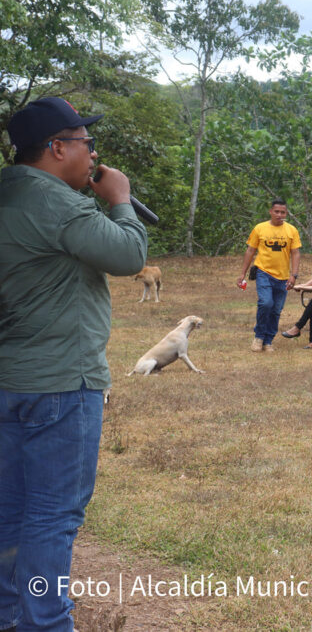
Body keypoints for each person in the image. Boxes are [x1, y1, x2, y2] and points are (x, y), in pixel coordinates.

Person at [0, 97, 148, 632]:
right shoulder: (57, 203)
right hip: (61, 382)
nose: (93, 154)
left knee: (10, 511)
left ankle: (11, 614)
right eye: (86, 143)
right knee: (51, 516)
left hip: (9, 380)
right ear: (57, 147)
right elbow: (128, 256)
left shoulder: (9, 191)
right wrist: (121, 199)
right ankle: (45, 623)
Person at [238, 199, 303, 352]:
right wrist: (242, 273)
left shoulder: (291, 230)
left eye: (283, 212)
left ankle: (268, 341)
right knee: (266, 303)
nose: (279, 215)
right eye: (277, 212)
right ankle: (259, 337)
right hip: (263, 272)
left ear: (286, 213)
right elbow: (250, 251)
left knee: (276, 310)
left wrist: (294, 275)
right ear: (271, 212)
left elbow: (295, 253)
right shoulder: (260, 228)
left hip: (282, 276)